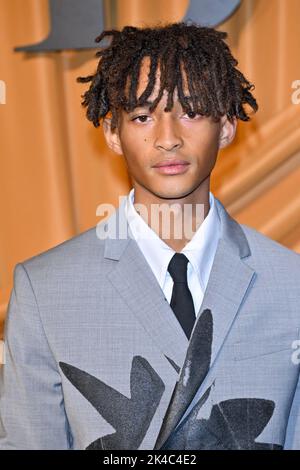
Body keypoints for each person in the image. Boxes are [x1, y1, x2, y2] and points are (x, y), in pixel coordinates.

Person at [0, 22, 299, 450]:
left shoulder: (291, 284)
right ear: (112, 133)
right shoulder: (46, 289)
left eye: (191, 112)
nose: (168, 139)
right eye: (143, 117)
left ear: (228, 126)